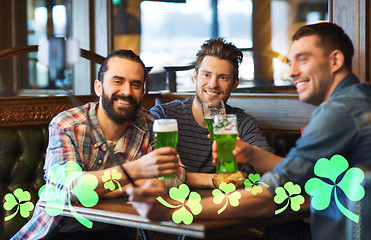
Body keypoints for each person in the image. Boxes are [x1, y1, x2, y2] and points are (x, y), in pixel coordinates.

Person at [126, 22, 371, 240]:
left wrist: (173, 210)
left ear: (335, 61)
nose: (292, 72)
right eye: (291, 61)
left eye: (303, 59)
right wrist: (252, 155)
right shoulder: (362, 96)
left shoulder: (339, 111)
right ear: (195, 76)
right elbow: (299, 171)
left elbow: (269, 194)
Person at [12, 49, 184, 240]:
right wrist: (135, 171)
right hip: (58, 231)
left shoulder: (148, 124)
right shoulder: (67, 124)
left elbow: (176, 176)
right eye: (117, 81)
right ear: (99, 87)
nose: (127, 91)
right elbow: (67, 187)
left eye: (135, 84)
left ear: (143, 92)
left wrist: (107, 190)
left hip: (118, 231)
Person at [150, 38, 270, 187]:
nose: (213, 84)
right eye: (207, 75)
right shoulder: (163, 116)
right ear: (195, 77)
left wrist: (248, 156)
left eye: (223, 77)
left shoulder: (243, 124)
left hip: (225, 207)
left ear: (234, 84)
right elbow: (151, 172)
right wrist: (218, 180)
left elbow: (269, 173)